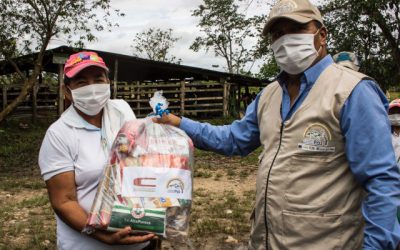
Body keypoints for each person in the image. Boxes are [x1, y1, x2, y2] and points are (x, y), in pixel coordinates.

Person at [155, 0, 400, 249]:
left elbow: (381, 181)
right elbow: (233, 139)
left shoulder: (352, 91)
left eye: (295, 29)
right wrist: (178, 122)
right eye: (277, 34)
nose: (285, 40)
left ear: (322, 35)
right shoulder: (270, 95)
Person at [38, 51, 156, 249]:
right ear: (67, 91)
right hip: (88, 244)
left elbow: (139, 161)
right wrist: (103, 236)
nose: (92, 88)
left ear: (108, 82)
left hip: (138, 236)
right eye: (82, 82)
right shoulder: (59, 134)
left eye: (98, 79)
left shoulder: (122, 110)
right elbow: (64, 201)